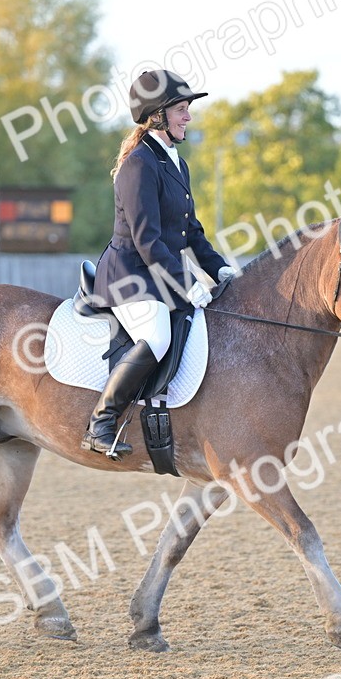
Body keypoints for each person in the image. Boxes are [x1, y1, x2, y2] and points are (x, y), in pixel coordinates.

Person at [81, 69, 235, 457]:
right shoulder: (139, 164)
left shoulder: (177, 164)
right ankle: (101, 421)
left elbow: (192, 232)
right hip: (129, 275)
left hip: (158, 273)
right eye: (182, 110)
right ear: (158, 116)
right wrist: (188, 283)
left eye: (187, 110)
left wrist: (218, 269)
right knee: (158, 335)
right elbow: (147, 240)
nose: (188, 117)